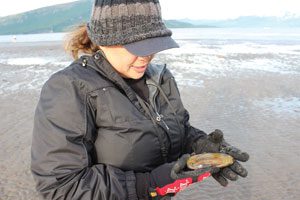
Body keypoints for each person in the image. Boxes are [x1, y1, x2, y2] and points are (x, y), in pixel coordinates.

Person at [30, 0, 249, 199]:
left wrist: (200, 144)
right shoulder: (70, 88)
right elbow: (61, 186)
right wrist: (149, 185)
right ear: (104, 41)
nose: (146, 56)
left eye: (152, 45)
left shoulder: (160, 77)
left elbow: (176, 128)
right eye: (137, 47)